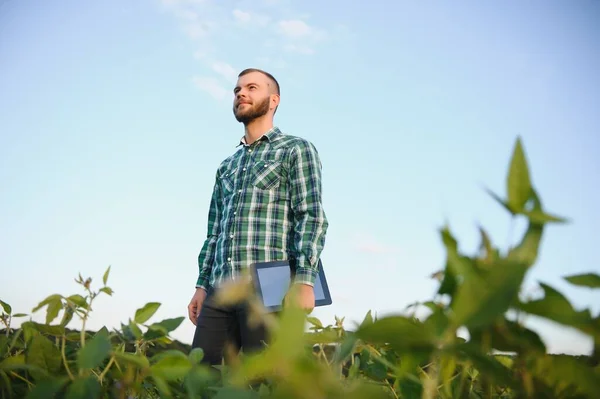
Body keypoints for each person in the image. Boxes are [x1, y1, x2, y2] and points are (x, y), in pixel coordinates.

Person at [188, 68, 328, 365]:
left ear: (273, 100)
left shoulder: (295, 149)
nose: (241, 93)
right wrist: (201, 286)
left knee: (264, 381)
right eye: (237, 89)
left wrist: (304, 280)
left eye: (252, 88)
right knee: (199, 379)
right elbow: (214, 232)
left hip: (272, 283)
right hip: (221, 287)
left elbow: (311, 215)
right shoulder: (227, 165)